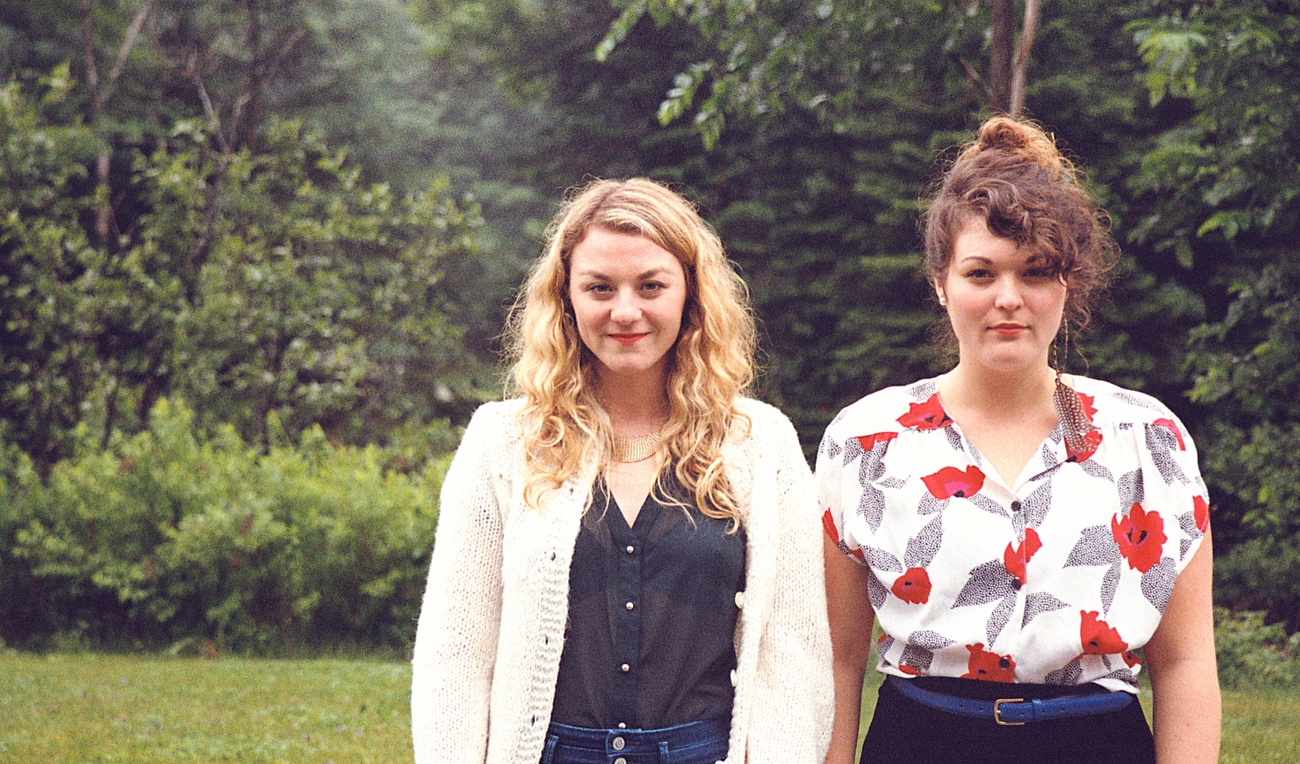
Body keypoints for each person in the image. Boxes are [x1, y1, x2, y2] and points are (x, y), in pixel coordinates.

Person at [817, 117, 1219, 764]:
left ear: (1069, 283)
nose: (1009, 298)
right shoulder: (868, 442)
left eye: (1035, 272)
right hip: (920, 744)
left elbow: (1187, 662)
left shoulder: (1148, 441)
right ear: (940, 283)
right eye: (981, 273)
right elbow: (835, 660)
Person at [411, 177, 833, 764]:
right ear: (566, 298)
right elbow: (456, 650)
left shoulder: (763, 445)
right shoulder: (501, 442)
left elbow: (794, 658)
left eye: (651, 286)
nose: (625, 310)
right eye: (600, 288)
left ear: (690, 294)